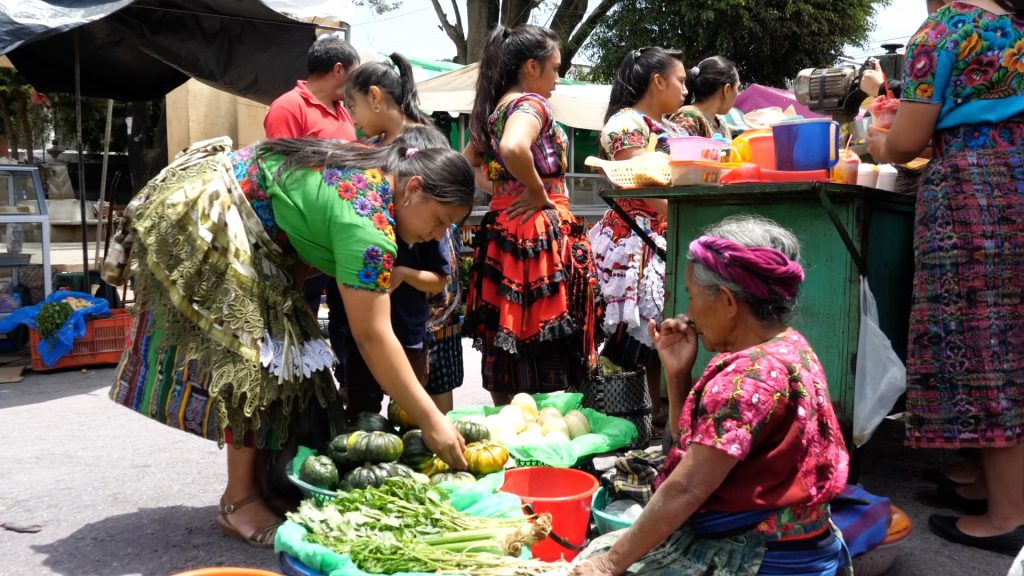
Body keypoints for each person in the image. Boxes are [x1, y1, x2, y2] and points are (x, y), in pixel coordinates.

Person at [105, 137, 471, 548]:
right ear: (415, 187)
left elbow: (301, 228)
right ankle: (238, 502)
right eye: (440, 220)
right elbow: (373, 336)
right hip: (214, 214)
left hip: (239, 216)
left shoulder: (380, 180)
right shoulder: (369, 228)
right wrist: (432, 419)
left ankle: (261, 485)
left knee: (285, 353)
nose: (437, 234)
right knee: (256, 364)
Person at [571, 215, 851, 576]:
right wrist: (677, 375)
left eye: (692, 295)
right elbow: (693, 452)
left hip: (761, 556)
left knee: (596, 556)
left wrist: (610, 564)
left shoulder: (747, 379)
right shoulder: (791, 347)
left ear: (729, 302)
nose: (687, 311)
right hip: (802, 545)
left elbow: (687, 488)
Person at [867, 0, 1024, 556]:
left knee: (984, 342)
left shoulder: (944, 30)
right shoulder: (1015, 26)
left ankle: (1008, 515)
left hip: (972, 190)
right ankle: (988, 483)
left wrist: (876, 139)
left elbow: (907, 143)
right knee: (1012, 336)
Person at [462, 24, 598, 405]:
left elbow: (469, 162)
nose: (558, 78)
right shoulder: (530, 104)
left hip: (505, 227)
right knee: (544, 334)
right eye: (555, 68)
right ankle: (547, 431)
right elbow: (514, 146)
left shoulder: (495, 108)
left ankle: (512, 430)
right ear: (532, 67)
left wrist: (505, 191)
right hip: (535, 234)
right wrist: (537, 191)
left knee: (507, 336)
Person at [592, 46, 691, 432]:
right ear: (658, 80)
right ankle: (635, 420)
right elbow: (644, 185)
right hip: (638, 240)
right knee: (638, 336)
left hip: (664, 231)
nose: (685, 89)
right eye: (680, 80)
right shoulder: (625, 125)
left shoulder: (668, 125)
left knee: (659, 336)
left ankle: (660, 417)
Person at [264, 33, 359, 141]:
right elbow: (278, 157)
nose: (356, 82)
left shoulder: (343, 111)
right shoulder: (288, 107)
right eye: (354, 74)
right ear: (338, 70)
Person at [345, 52, 435, 145]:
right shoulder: (379, 142)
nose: (353, 120)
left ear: (374, 97)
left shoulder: (418, 148)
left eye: (352, 107)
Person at [426, 226, 465, 414]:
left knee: (438, 383)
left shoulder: (441, 225)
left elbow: (439, 282)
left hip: (437, 317)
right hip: (425, 319)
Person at [670, 56, 741, 139]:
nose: (738, 94)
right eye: (738, 88)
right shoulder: (689, 116)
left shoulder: (722, 126)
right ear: (727, 90)